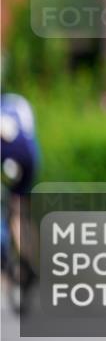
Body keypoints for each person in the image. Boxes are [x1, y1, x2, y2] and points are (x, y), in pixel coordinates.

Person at [1, 93, 39, 286]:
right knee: (22, 208)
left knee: (13, 208)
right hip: (32, 158)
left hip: (10, 158)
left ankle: (21, 257)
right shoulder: (18, 102)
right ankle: (31, 257)